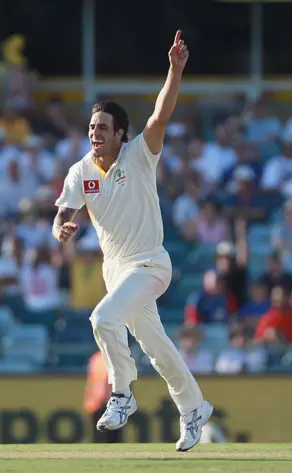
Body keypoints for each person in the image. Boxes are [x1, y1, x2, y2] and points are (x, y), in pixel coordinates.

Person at [53, 31, 212, 452]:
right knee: (157, 347)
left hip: (150, 264)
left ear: (121, 133)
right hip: (116, 271)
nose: (95, 133)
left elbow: (160, 115)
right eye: (91, 127)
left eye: (103, 127)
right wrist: (62, 229)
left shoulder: (140, 155)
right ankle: (194, 408)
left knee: (102, 320)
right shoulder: (80, 171)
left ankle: (121, 393)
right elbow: (62, 215)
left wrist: (175, 70)